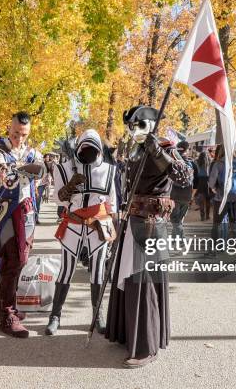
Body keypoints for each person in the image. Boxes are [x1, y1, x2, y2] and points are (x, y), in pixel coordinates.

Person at [106, 105, 190, 368]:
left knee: (143, 282)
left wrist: (158, 151)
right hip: (133, 221)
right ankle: (126, 333)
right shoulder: (136, 149)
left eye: (139, 125)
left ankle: (146, 345)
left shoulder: (164, 147)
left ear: (152, 125)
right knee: (130, 278)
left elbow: (184, 176)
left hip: (151, 225)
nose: (134, 131)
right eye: (131, 126)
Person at [46, 129, 117, 336]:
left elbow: (111, 202)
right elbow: (59, 200)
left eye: (91, 149)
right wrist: (70, 186)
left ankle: (98, 315)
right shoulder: (63, 169)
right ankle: (55, 316)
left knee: (98, 272)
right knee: (66, 270)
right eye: (84, 148)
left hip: (98, 226)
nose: (87, 151)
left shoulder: (109, 170)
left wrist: (115, 228)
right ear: (78, 148)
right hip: (74, 224)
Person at [0, 111, 43, 338]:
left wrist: (31, 170)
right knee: (13, 259)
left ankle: (2, 303)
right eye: (15, 133)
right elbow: (6, 177)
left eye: (24, 134)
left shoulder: (33, 153)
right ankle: (7, 315)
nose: (19, 138)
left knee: (20, 260)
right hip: (7, 213)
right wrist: (25, 170)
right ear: (8, 129)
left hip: (28, 212)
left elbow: (41, 175)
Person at [208, 145, 236, 243]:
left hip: (221, 198)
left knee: (217, 224)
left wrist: (213, 189)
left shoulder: (218, 164)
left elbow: (211, 182)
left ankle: (214, 249)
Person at [169, 140, 197, 238]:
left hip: (174, 195)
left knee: (174, 219)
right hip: (187, 195)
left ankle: (181, 240)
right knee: (179, 220)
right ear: (187, 150)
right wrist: (192, 196)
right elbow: (197, 183)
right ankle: (175, 240)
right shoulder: (192, 163)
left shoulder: (172, 161)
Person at [35, 153, 54, 224]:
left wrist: (48, 183)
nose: (47, 158)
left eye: (48, 157)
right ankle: (35, 217)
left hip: (42, 184)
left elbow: (48, 175)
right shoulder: (41, 163)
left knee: (38, 200)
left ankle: (36, 218)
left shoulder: (47, 164)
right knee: (37, 200)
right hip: (37, 184)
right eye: (47, 157)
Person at [194, 149, 212, 221]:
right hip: (208, 182)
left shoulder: (197, 163)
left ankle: (202, 216)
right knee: (208, 200)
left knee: (201, 200)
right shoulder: (210, 163)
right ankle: (207, 215)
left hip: (200, 182)